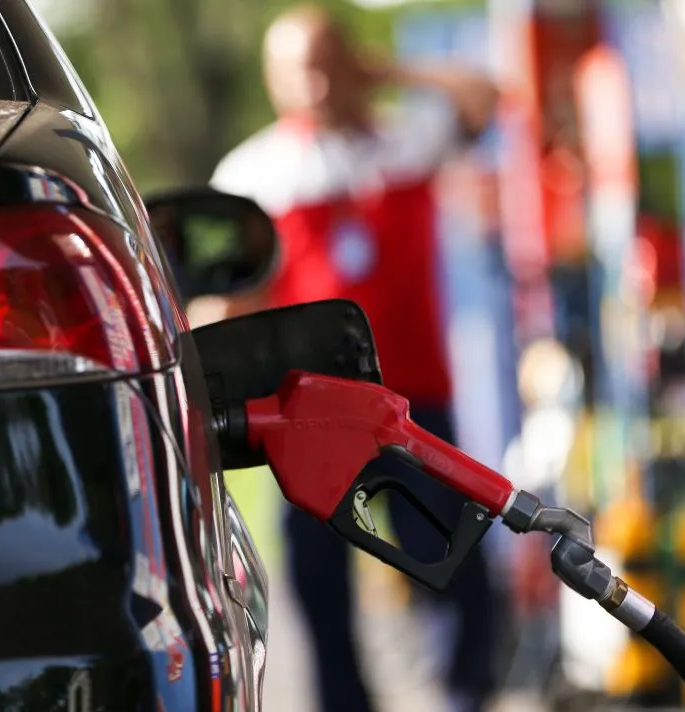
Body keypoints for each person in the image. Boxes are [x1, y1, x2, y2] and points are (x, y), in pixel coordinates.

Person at [206, 5, 501, 712]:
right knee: (319, 577)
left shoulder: (405, 139)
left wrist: (387, 70)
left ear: (352, 64)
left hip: (412, 394)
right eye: (297, 69)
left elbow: (483, 97)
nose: (314, 83)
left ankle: (465, 692)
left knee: (455, 554)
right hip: (310, 414)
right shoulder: (255, 173)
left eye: (328, 63)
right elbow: (225, 298)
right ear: (273, 80)